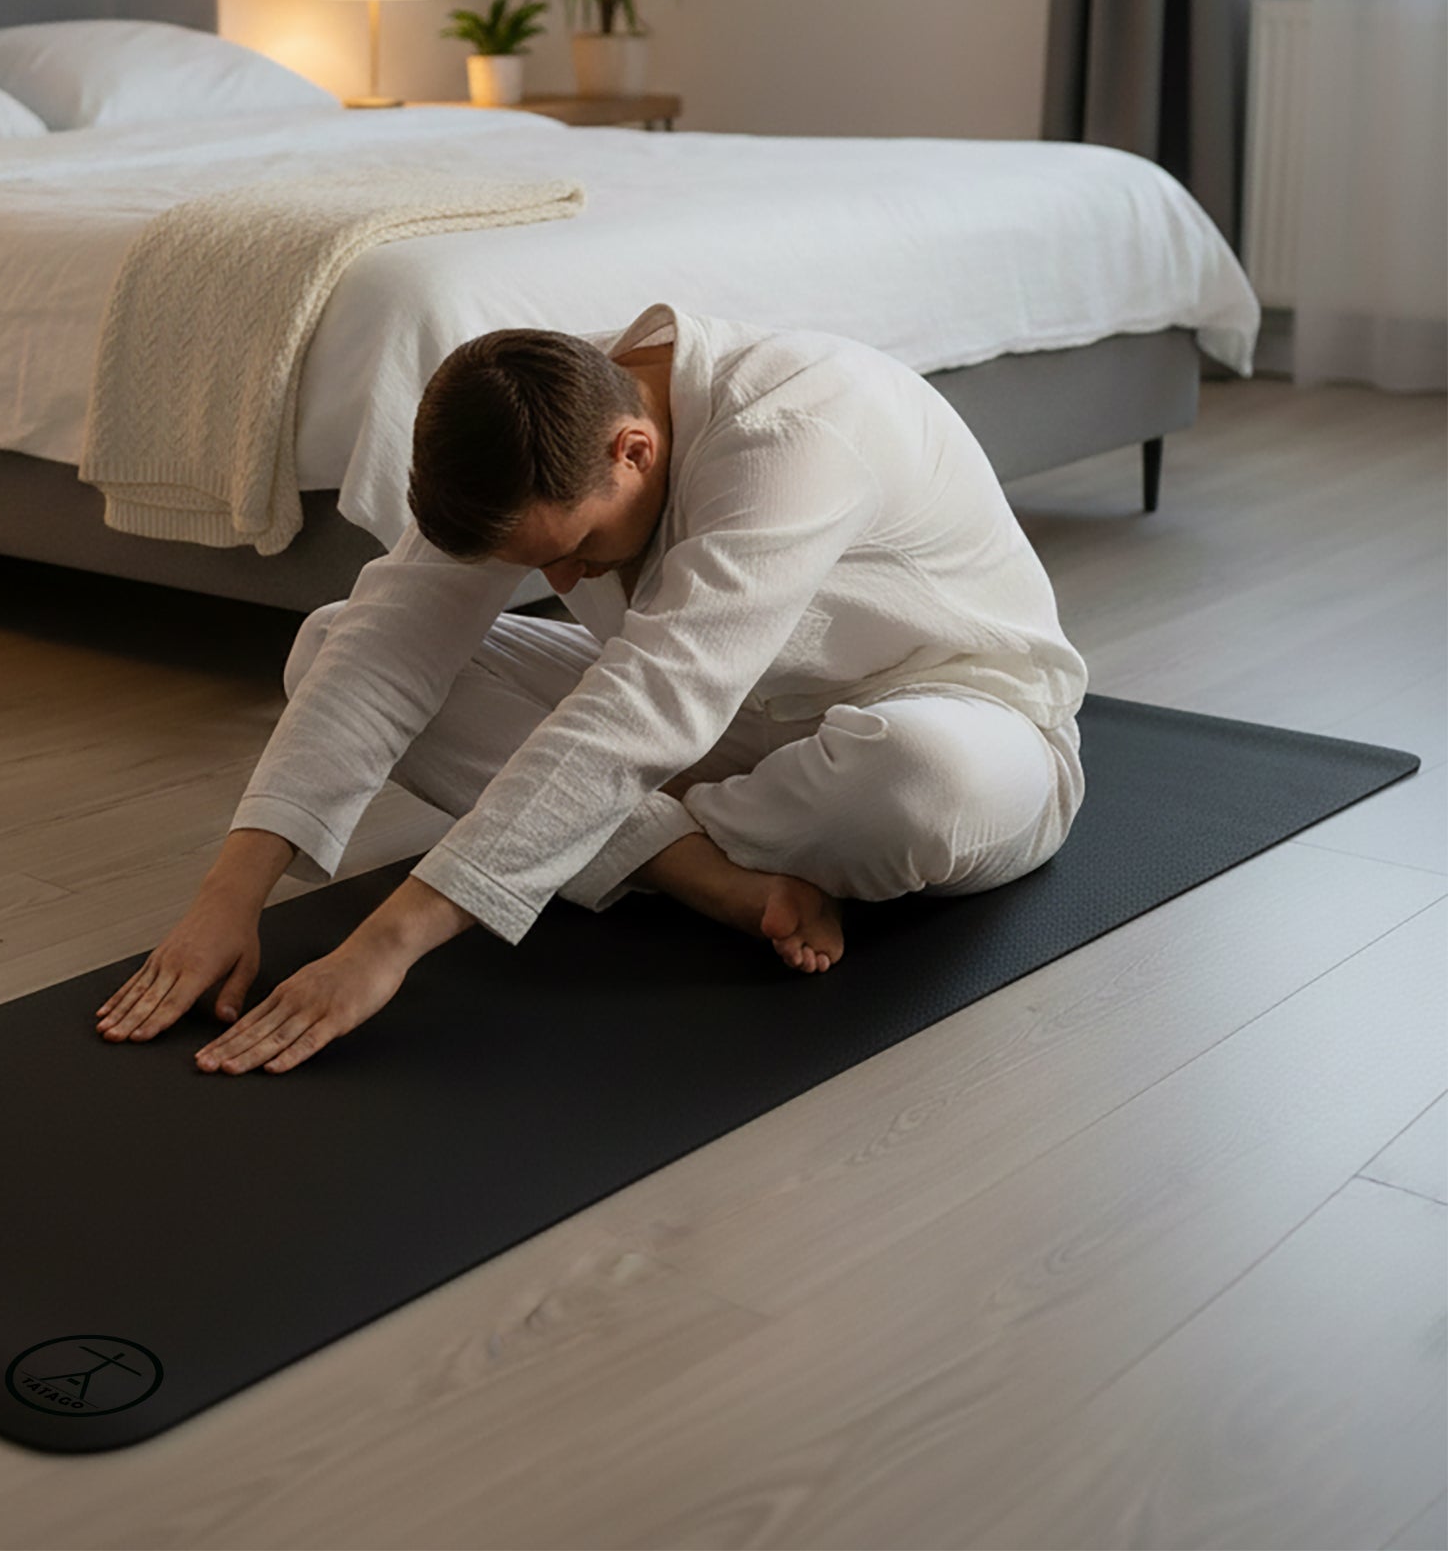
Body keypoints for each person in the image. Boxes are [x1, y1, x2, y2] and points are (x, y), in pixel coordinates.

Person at [96, 301, 1089, 1076]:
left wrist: (386, 944)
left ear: (634, 448)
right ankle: (696, 871)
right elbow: (390, 643)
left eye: (572, 551)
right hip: (721, 724)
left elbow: (647, 704)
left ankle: (625, 839)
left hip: (955, 711)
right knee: (330, 639)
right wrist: (229, 895)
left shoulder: (795, 428)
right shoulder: (536, 410)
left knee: (912, 782)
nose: (564, 584)